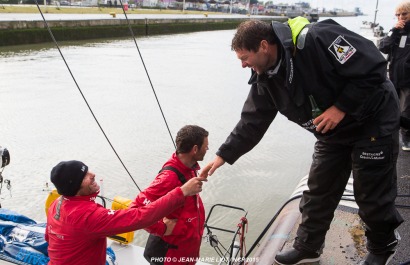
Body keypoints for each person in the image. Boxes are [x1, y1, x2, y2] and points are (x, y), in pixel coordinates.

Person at [200, 18, 403, 265]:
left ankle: (382, 246)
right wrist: (223, 155)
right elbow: (252, 122)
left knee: (370, 191)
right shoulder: (265, 76)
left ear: (264, 46)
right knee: (318, 189)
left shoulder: (320, 38)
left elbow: (374, 66)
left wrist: (341, 107)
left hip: (372, 119)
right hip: (332, 133)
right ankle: (308, 246)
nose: (243, 65)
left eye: (244, 58)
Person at [46, 160, 205, 265]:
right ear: (75, 187)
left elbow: (49, 237)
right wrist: (182, 192)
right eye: (84, 175)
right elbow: (139, 217)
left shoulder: (57, 204)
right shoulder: (87, 216)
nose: (92, 174)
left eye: (87, 170)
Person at [131, 125, 209, 265]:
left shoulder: (188, 167)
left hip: (186, 252)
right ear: (195, 149)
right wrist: (163, 228)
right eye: (206, 146)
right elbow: (136, 208)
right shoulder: (169, 177)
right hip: (172, 257)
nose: (207, 149)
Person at [379, 0, 410, 152]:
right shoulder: (396, 32)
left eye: (404, 14)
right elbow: (383, 46)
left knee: (406, 109)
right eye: (398, 15)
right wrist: (394, 31)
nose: (401, 18)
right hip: (394, 77)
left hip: (408, 79)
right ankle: (397, 136)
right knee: (393, 108)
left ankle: (406, 138)